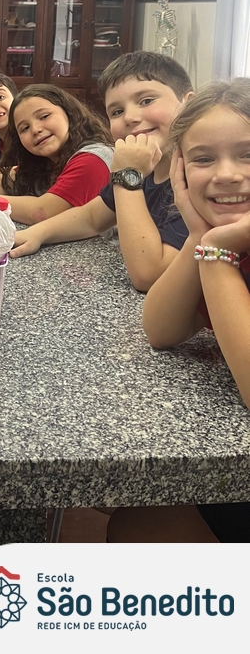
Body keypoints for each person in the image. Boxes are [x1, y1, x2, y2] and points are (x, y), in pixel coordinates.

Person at [109, 78, 250, 544]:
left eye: (247, 154)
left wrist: (217, 252)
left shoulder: (226, 247)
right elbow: (161, 330)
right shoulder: (222, 238)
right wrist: (198, 237)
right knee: (136, 516)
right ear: (182, 172)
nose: (226, 174)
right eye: (204, 159)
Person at [10, 52, 194, 292]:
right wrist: (38, 234)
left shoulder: (196, 181)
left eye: (146, 100)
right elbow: (91, 217)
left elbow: (149, 276)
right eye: (116, 111)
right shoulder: (146, 170)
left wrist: (128, 174)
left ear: (188, 104)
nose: (130, 117)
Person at [0, 84, 113, 224]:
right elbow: (8, 179)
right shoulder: (48, 161)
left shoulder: (93, 159)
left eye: (44, 116)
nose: (35, 130)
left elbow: (42, 212)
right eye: (24, 128)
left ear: (69, 113)